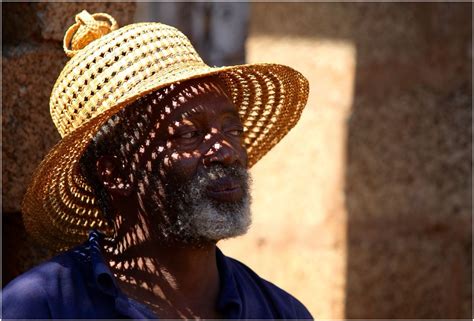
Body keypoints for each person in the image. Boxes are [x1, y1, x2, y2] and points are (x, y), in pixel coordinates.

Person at [2, 10, 311, 319]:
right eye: (190, 133)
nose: (227, 151)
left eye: (233, 130)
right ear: (115, 173)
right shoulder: (43, 306)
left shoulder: (279, 312)